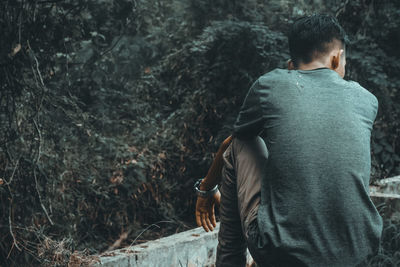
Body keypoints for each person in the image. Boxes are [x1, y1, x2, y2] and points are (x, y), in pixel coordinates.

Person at [194, 14, 383, 267]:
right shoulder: (366, 100)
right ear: (337, 57)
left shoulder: (270, 86)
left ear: (292, 60)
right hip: (359, 252)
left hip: (282, 252)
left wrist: (206, 189)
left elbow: (235, 142)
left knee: (240, 145)